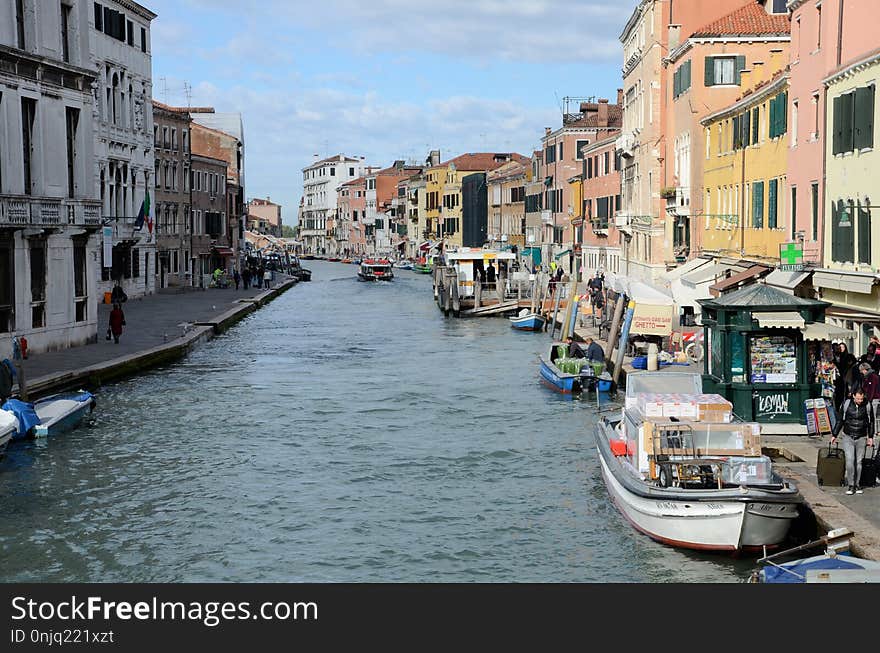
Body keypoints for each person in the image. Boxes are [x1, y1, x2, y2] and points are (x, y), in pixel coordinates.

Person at [832, 389, 875, 494]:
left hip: (861, 436)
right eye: (858, 398)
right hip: (848, 436)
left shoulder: (868, 405)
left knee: (859, 462)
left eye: (862, 398)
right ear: (853, 396)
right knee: (850, 460)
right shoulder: (846, 404)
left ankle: (857, 484)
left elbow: (871, 422)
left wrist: (870, 437)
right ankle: (851, 485)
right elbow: (840, 420)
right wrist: (834, 434)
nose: (860, 400)